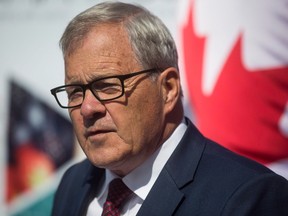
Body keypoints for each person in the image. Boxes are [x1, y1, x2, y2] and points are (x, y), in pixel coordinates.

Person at [50, 1, 288, 215]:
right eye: (75, 93)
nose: (87, 108)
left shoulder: (249, 197)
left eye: (109, 87)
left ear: (168, 88)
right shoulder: (75, 182)